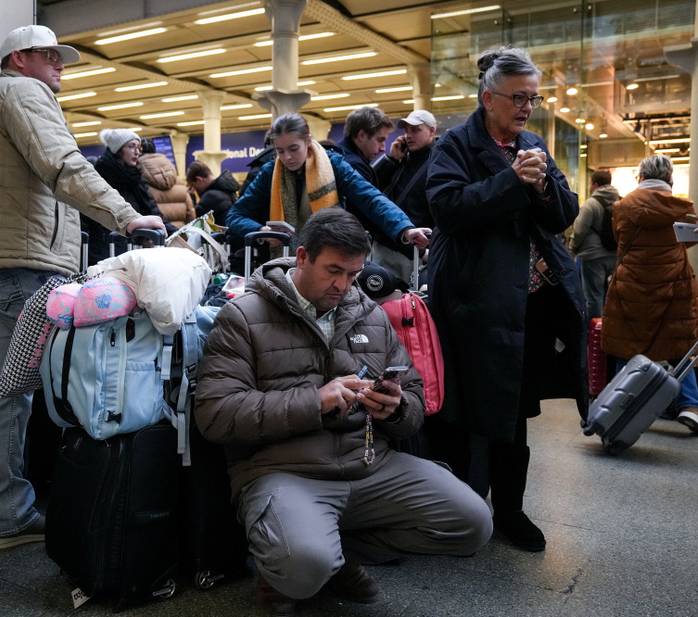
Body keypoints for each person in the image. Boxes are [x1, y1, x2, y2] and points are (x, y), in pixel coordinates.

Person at [195, 208, 492, 615]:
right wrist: (314, 401)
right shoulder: (245, 316)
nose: (343, 285)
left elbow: (415, 395)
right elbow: (215, 414)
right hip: (284, 470)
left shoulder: (369, 313)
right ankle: (290, 565)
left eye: (353, 274)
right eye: (333, 271)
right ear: (302, 257)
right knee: (303, 568)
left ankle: (332, 555)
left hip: (368, 464)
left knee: (473, 523)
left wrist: (395, 407)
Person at [0, 25, 165, 550]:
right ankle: (78, 502)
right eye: (50, 56)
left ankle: (8, 512)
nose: (60, 65)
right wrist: (127, 216)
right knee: (75, 379)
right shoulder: (23, 93)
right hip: (22, 264)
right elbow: (63, 164)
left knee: (10, 393)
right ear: (19, 58)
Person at [425, 46, 586, 553]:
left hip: (528, 306)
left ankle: (511, 510)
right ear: (488, 97)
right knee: (465, 409)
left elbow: (564, 214)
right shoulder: (454, 144)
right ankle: (459, 510)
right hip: (473, 302)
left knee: (514, 413)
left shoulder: (533, 143)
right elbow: (448, 207)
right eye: (518, 98)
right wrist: (510, 182)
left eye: (533, 99)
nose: (526, 108)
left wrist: (539, 189)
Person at [226, 113, 430, 251]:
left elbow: (370, 197)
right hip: (281, 267)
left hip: (331, 255)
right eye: (280, 151)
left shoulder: (333, 164)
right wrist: (261, 231)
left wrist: (405, 228)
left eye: (293, 148)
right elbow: (235, 215)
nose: (287, 157)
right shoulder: (269, 171)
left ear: (307, 140)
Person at [602, 154, 698, 433]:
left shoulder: (622, 207)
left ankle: (620, 404)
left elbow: (621, 241)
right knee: (678, 344)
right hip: (674, 282)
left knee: (626, 344)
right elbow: (686, 241)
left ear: (641, 177)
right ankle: (690, 405)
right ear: (670, 177)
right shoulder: (683, 208)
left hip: (631, 281)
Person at [85, 129, 176, 262]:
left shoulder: (136, 178)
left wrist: (178, 232)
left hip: (131, 247)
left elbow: (151, 209)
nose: (137, 151)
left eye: (138, 147)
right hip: (102, 248)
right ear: (118, 149)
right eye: (131, 146)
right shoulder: (99, 174)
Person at [372, 109, 439, 284]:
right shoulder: (402, 157)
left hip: (413, 251)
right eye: (407, 130)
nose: (409, 135)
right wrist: (391, 159)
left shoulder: (439, 161)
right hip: (385, 243)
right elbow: (371, 184)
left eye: (416, 130)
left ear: (432, 131)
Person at [570, 170, 620, 319]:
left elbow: (579, 230)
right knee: (611, 294)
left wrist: (572, 248)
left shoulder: (591, 204)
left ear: (595, 184)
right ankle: (609, 327)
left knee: (593, 296)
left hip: (592, 256)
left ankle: (594, 333)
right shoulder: (620, 201)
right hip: (614, 253)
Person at [138, 140, 194, 229]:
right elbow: (190, 213)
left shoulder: (138, 181)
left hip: (155, 237)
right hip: (179, 236)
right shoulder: (178, 181)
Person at [186, 160, 240, 226]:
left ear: (199, 180)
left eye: (193, 186)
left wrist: (191, 199)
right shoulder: (227, 188)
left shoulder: (209, 197)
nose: (195, 190)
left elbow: (197, 224)